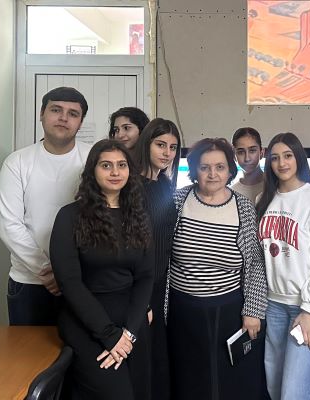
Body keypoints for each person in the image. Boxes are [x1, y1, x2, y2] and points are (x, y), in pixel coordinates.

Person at [50, 139, 153, 400]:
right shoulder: (70, 216)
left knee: (140, 392)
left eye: (121, 165)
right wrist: (110, 336)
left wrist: (129, 333)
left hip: (130, 322)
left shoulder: (138, 215)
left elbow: (145, 277)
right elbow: (69, 282)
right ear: (92, 171)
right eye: (106, 165)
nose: (115, 172)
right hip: (86, 321)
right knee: (117, 394)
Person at [167, 138, 267, 400]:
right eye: (205, 167)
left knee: (228, 380)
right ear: (194, 170)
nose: (213, 174)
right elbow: (159, 255)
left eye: (220, 167)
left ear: (230, 170)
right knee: (189, 378)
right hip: (182, 310)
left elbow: (255, 263)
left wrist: (253, 311)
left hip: (228, 310)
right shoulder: (178, 201)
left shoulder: (243, 207)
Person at [0, 86, 91, 326]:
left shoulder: (93, 159)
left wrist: (68, 274)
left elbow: (104, 216)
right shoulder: (17, 162)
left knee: (77, 349)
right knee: (27, 351)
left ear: (80, 122)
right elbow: (10, 226)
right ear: (41, 114)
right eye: (56, 110)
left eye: (73, 113)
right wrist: (48, 271)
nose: (63, 118)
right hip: (29, 282)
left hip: (83, 281)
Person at [256, 132, 310, 400]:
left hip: (306, 308)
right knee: (275, 387)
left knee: (296, 392)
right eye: (275, 158)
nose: (281, 163)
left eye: (288, 156)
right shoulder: (263, 199)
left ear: (298, 158)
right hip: (274, 306)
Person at [133, 117, 181, 399]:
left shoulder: (164, 184)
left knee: (157, 357)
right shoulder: (132, 184)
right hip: (138, 283)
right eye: (161, 145)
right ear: (146, 143)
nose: (167, 153)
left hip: (160, 283)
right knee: (139, 356)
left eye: (173, 147)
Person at [231, 127, 265, 203]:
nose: (247, 158)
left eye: (252, 151)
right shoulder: (232, 193)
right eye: (241, 152)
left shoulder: (275, 186)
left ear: (261, 153)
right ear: (234, 155)